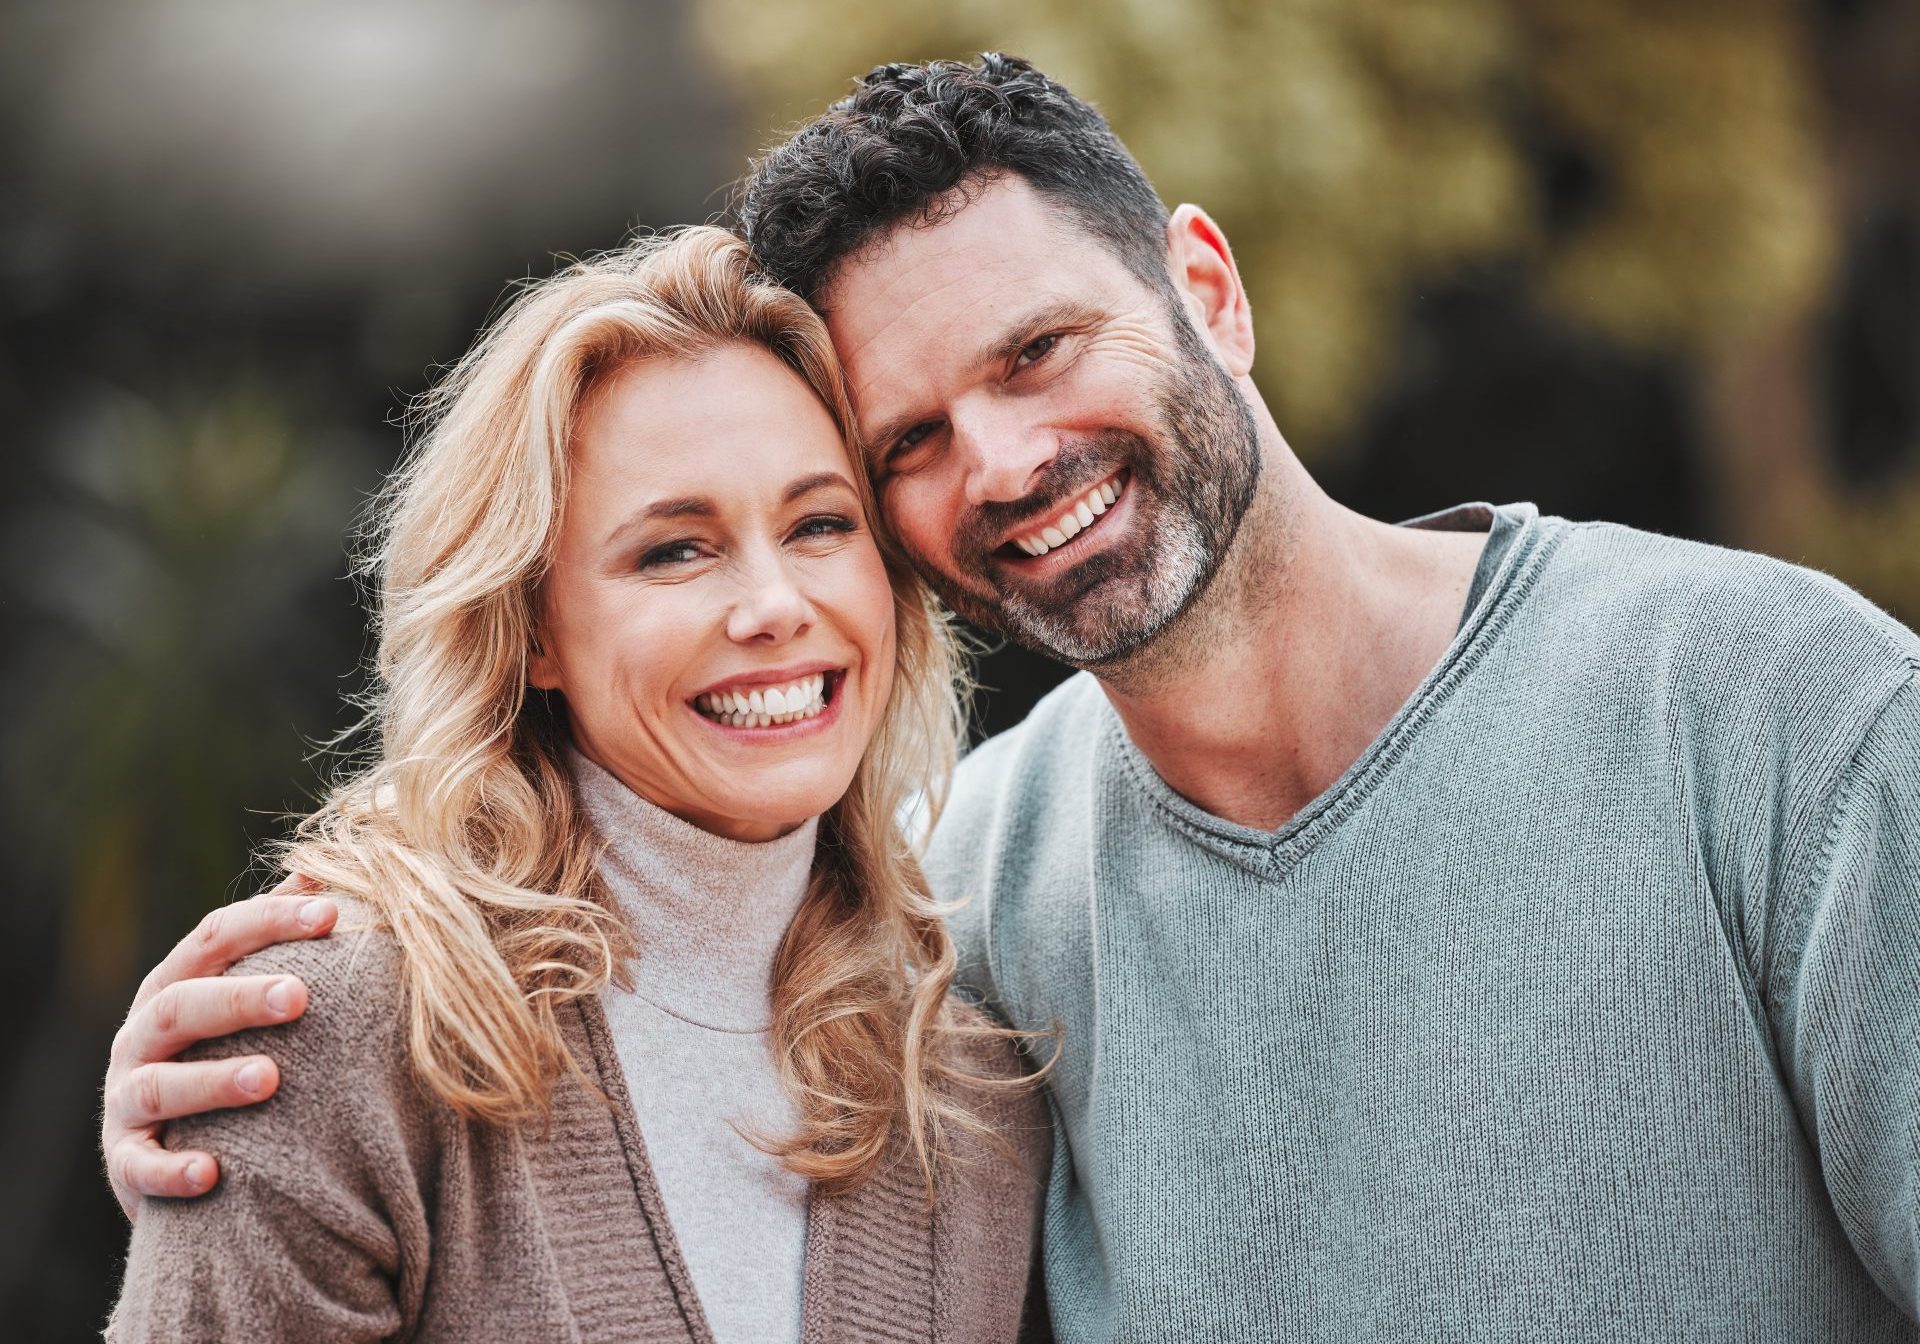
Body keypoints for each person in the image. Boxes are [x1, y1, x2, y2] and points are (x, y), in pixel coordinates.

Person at [105, 54, 1920, 1341]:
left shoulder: (1775, 716)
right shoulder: (968, 907)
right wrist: (245, 1127)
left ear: (1208, 289)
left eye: (1041, 349)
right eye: (909, 439)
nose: (1004, 460)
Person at [104, 225, 1048, 1342]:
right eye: (674, 549)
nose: (774, 606)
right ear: (533, 630)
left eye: (820, 525)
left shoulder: (977, 1102)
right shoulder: (327, 1038)